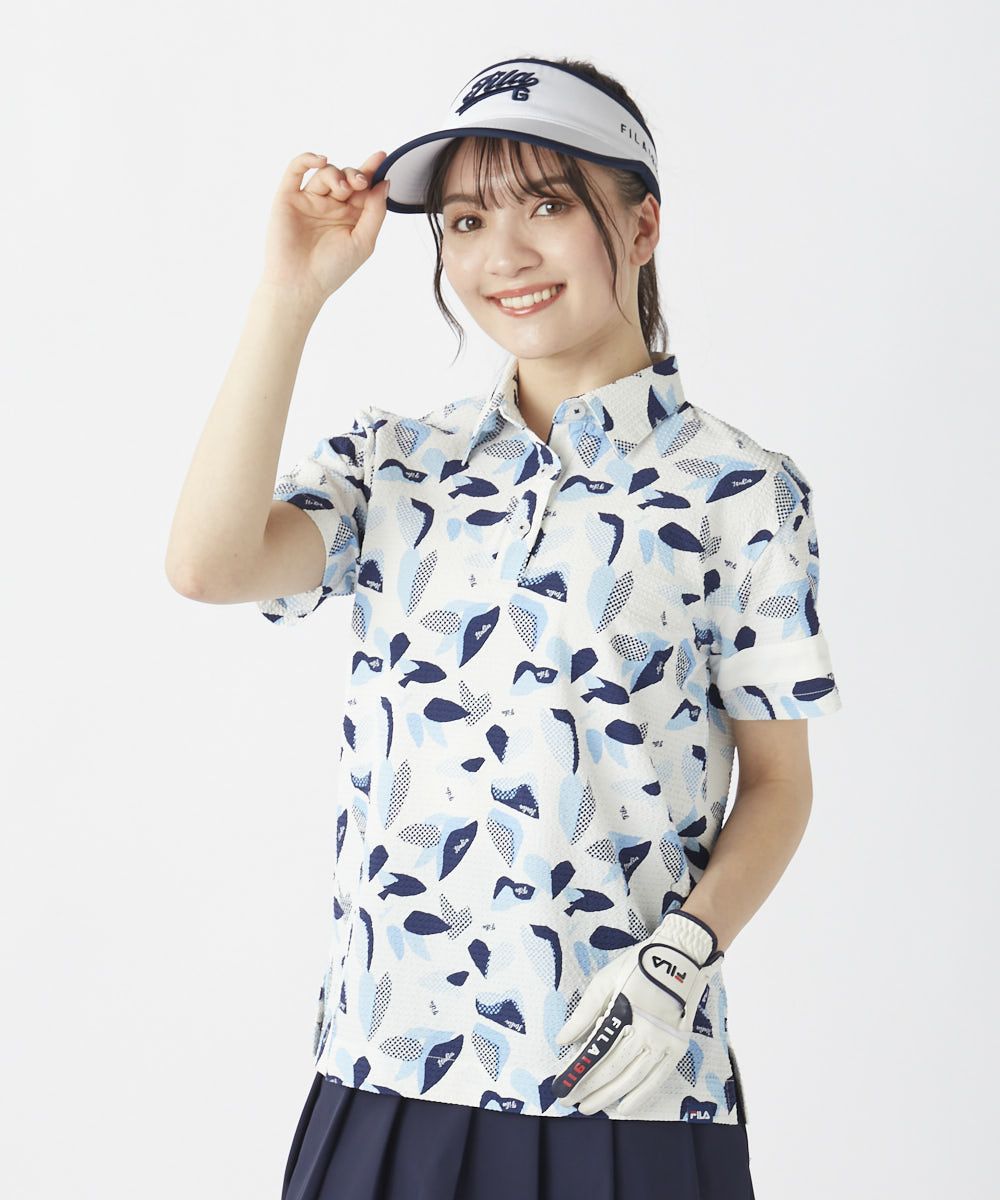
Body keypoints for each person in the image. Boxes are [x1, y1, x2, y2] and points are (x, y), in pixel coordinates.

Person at [166, 54, 843, 1200]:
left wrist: (682, 958)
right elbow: (208, 564)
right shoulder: (396, 465)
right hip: (386, 1070)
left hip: (619, 1082)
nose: (503, 255)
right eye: (467, 220)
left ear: (640, 225)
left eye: (547, 205)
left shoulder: (738, 491)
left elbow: (778, 783)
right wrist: (290, 293)